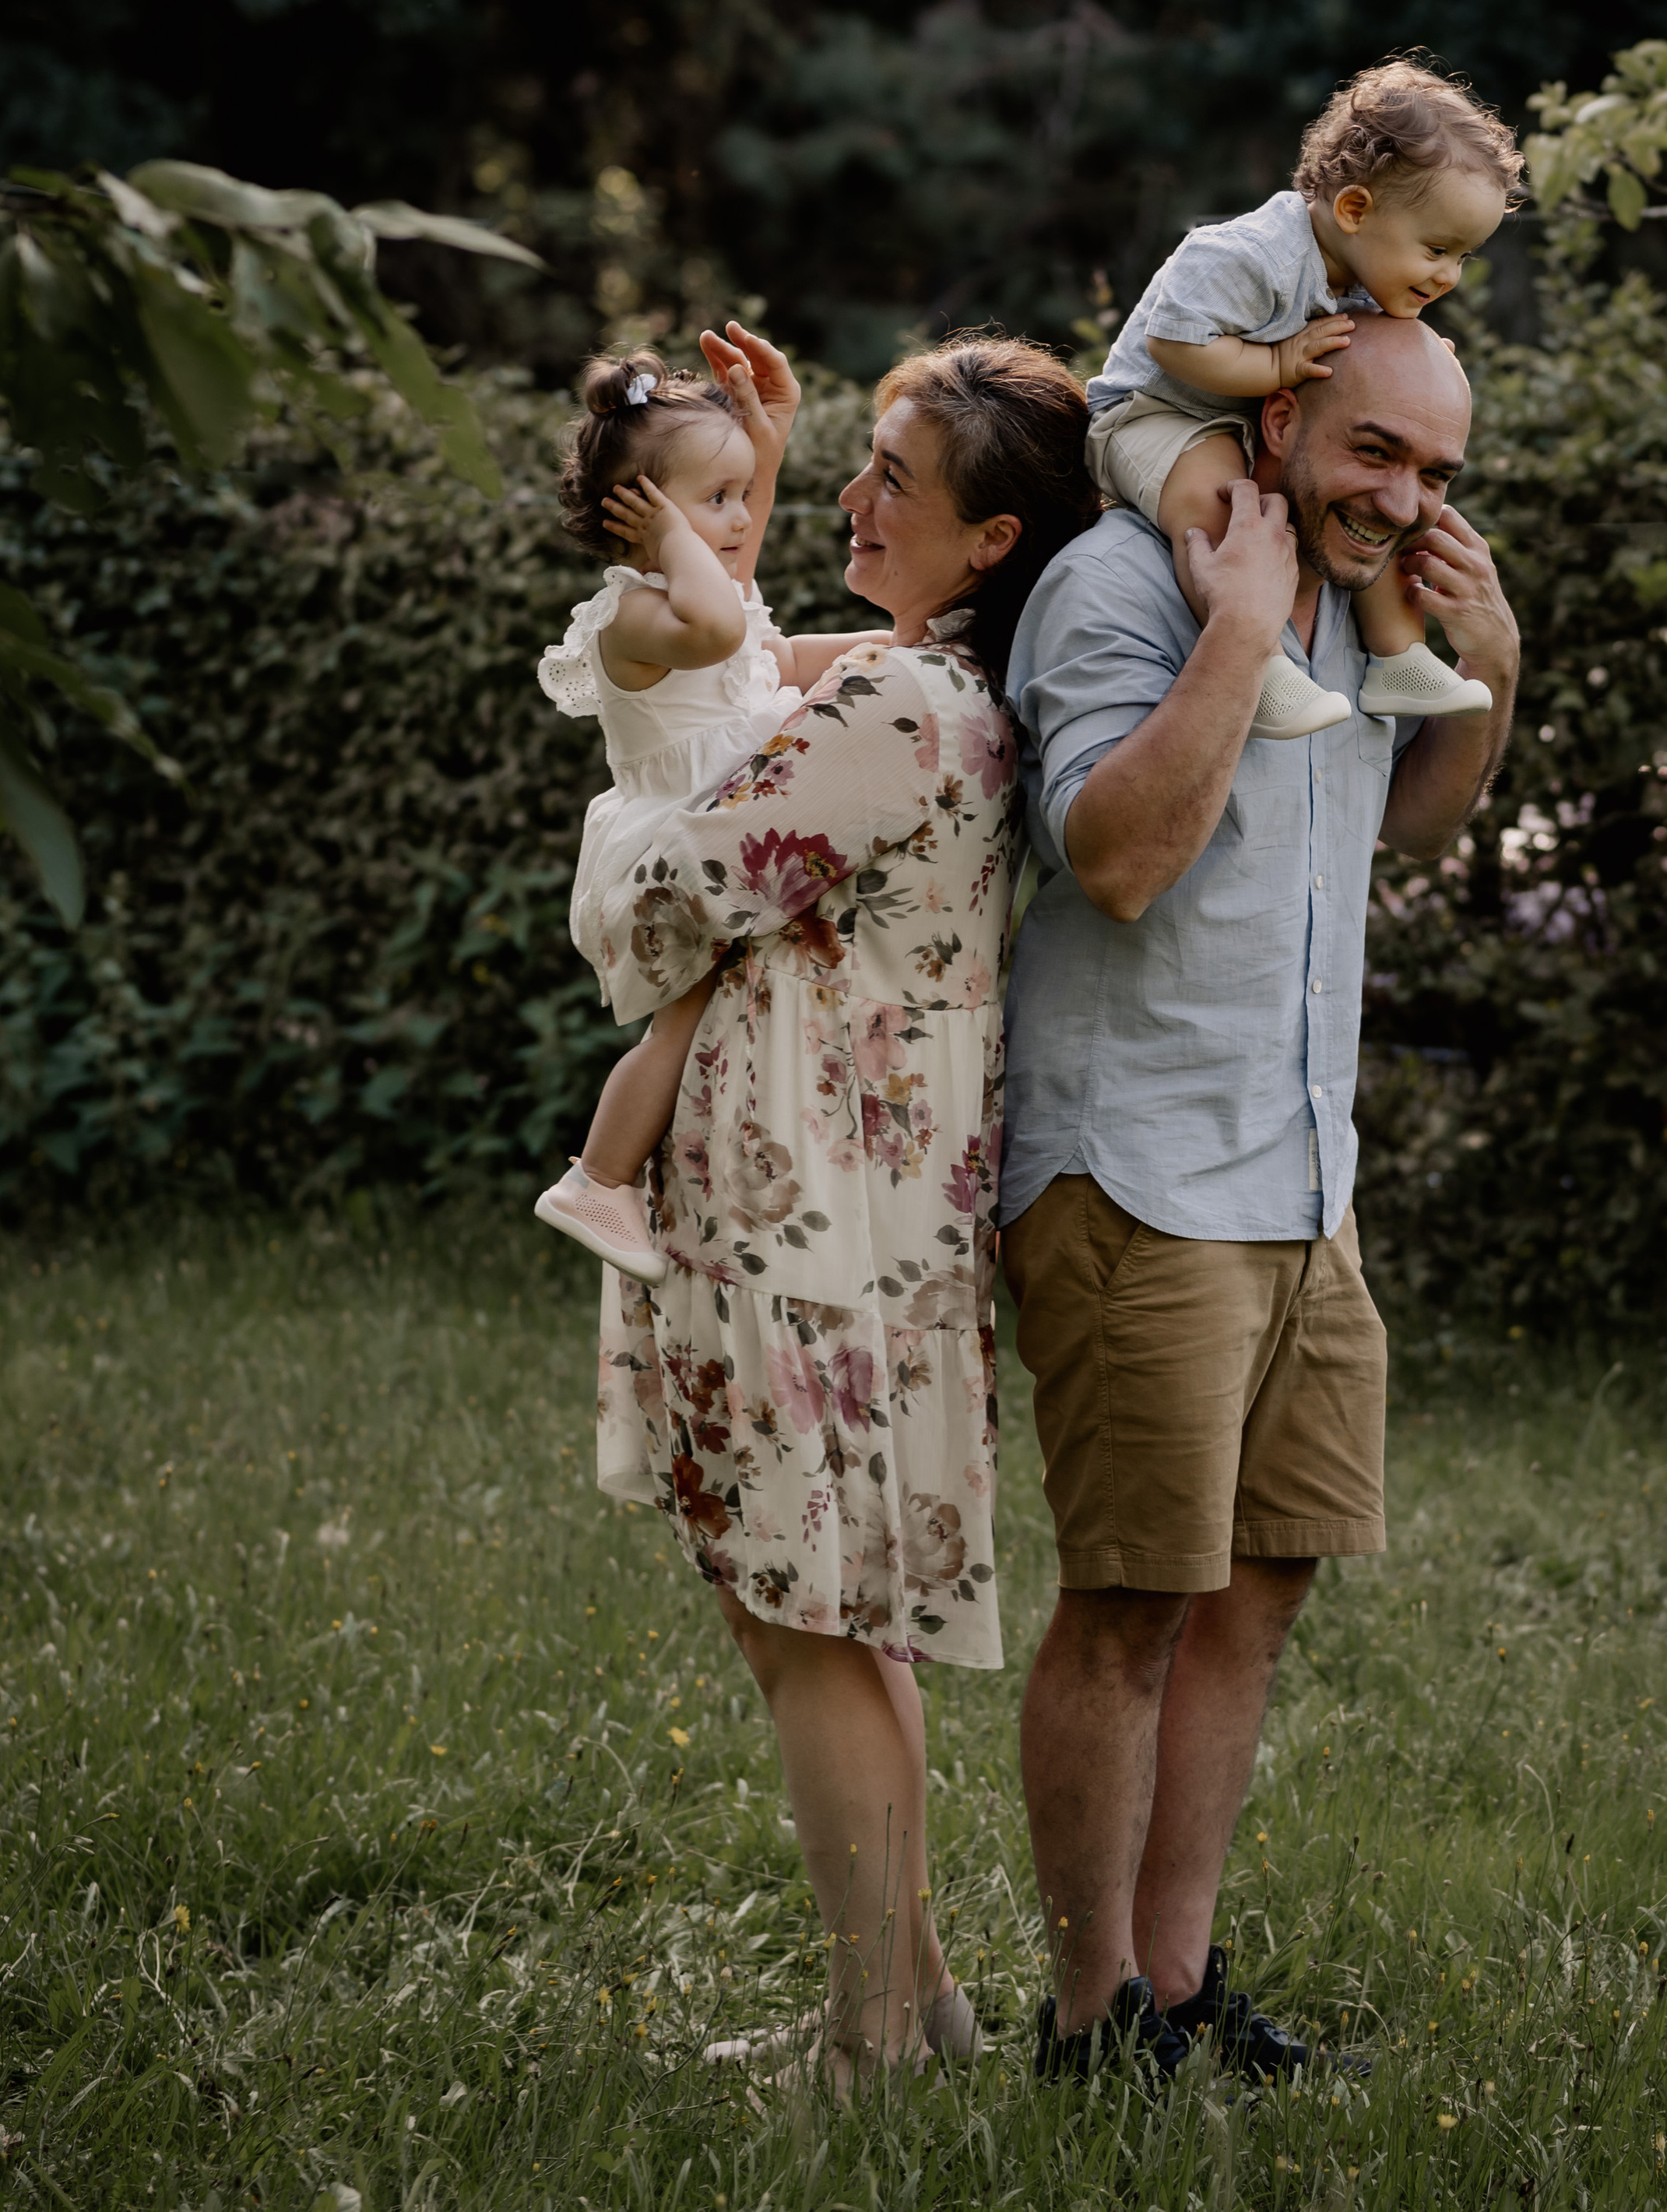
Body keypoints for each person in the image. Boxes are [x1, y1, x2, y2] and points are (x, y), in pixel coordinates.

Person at [1000, 306, 1521, 2087]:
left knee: (1257, 1582)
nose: (1403, 494)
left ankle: (1175, 1976)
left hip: (1303, 1176)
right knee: (1129, 1601)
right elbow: (1118, 859)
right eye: (1375, 450)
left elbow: (1410, 832)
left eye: (1437, 470)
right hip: (1133, 1172)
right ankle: (1086, 2025)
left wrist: (1488, 669)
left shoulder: (1363, 616)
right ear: (1283, 408)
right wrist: (1236, 624)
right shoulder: (1118, 585)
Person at [587, 336, 1099, 2089]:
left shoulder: (896, 708)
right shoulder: (937, 688)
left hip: (798, 1183)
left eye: (894, 481)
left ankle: (873, 2039)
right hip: (867, 1187)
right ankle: (919, 2007)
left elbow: (671, 895)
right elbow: (739, 679)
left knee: (795, 1615)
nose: (850, 504)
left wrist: (617, 831)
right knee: (828, 1607)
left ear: (989, 543)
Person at [532, 325, 859, 1279]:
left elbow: (745, 616)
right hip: (674, 852)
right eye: (712, 502)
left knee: (728, 1008)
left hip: (724, 838)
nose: (735, 518)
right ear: (636, 517)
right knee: (684, 1014)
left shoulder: (708, 587)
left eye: (737, 497)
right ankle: (597, 1177)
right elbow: (720, 627)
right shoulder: (636, 616)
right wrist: (672, 533)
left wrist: (771, 438)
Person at [1085, 57, 1518, 740]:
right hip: (1152, 414)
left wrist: (1423, 357)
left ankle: (1400, 658)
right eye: (1438, 249)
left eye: (1463, 257)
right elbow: (1173, 340)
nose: (1449, 276)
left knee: (1377, 509)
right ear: (1354, 209)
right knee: (1222, 504)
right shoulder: (1250, 255)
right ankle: (1255, 661)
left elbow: (1364, 351)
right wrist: (1278, 362)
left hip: (1238, 418)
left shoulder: (1364, 268)